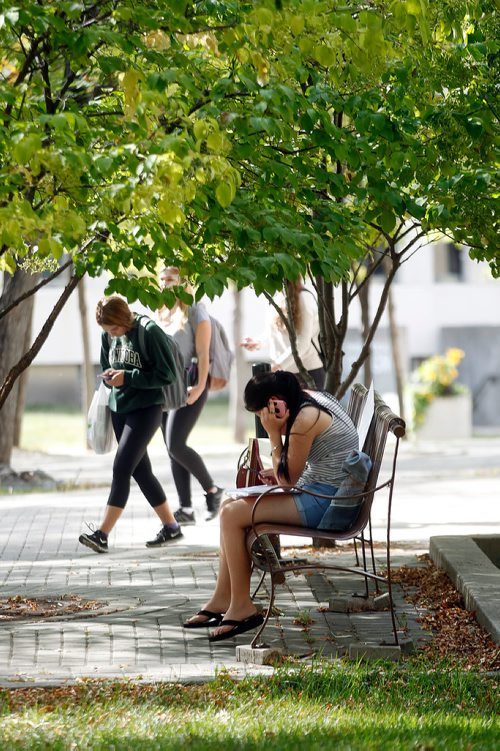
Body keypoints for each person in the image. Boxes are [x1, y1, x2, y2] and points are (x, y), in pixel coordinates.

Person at [183, 370, 359, 641]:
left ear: (274, 403)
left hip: (327, 503)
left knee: (232, 515)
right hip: (319, 490)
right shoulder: (308, 399)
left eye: (260, 412)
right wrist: (275, 470)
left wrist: (274, 434)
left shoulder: (304, 419)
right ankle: (222, 599)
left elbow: (288, 481)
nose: (261, 418)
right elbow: (294, 471)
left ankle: (242, 607)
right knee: (229, 504)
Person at [79, 296, 183, 553]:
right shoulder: (108, 335)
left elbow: (166, 374)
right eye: (107, 331)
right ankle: (171, 527)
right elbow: (107, 364)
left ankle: (102, 534)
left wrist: (128, 377)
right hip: (119, 409)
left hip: (146, 410)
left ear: (124, 318)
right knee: (141, 472)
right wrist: (109, 377)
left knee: (122, 467)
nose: (111, 334)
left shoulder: (149, 332)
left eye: (114, 329)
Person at [156, 266, 223, 525]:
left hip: (190, 383)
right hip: (166, 386)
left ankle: (212, 491)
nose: (164, 284)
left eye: (170, 279)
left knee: (176, 444)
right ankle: (185, 508)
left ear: (183, 282)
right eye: (161, 279)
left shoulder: (196, 310)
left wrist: (198, 387)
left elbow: (204, 354)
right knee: (172, 450)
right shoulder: (162, 310)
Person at [241, 278, 325, 389]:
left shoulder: (304, 298)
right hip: (282, 373)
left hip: (306, 374)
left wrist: (278, 365)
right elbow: (274, 333)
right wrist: (258, 342)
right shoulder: (276, 296)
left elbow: (303, 342)